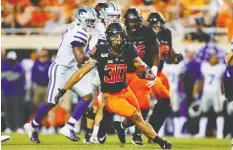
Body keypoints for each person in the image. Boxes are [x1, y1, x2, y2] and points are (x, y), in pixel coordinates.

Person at [55, 22, 172, 149]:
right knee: (137, 116)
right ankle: (161, 142)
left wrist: (146, 70)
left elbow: (139, 63)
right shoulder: (100, 50)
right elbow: (80, 72)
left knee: (137, 119)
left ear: (124, 36)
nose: (118, 39)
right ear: (108, 37)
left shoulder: (129, 48)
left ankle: (120, 127)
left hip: (126, 90)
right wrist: (64, 89)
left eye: (120, 36)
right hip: (110, 96)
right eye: (114, 36)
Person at [24, 6, 98, 144]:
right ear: (82, 19)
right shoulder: (79, 32)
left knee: (87, 96)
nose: (91, 24)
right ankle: (32, 125)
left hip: (71, 69)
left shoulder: (77, 29)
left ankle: (69, 127)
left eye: (92, 21)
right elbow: (80, 58)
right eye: (89, 21)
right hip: (61, 69)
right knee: (52, 101)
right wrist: (93, 55)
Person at [84, 2, 121, 143]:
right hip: (95, 66)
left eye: (117, 16)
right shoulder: (96, 27)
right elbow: (90, 47)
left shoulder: (119, 28)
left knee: (102, 102)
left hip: (109, 68)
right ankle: (89, 132)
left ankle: (95, 132)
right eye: (112, 15)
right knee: (92, 102)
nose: (115, 18)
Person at [147, 12, 184, 139]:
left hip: (160, 72)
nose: (157, 26)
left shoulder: (166, 33)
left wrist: (176, 58)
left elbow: (170, 55)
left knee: (166, 103)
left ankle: (152, 131)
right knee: (159, 100)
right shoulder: (146, 35)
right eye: (154, 24)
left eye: (159, 24)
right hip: (148, 72)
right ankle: (148, 130)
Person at [193, 50, 226, 139]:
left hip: (216, 92)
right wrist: (197, 90)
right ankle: (201, 132)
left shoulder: (221, 67)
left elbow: (223, 82)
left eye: (216, 57)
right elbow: (201, 80)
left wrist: (223, 94)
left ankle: (220, 133)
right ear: (209, 58)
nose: (215, 58)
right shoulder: (205, 66)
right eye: (213, 57)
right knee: (204, 112)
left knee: (219, 112)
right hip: (206, 91)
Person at [1, 51, 25, 134]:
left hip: (17, 92)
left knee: (17, 110)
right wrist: (11, 74)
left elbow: (19, 76)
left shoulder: (19, 66)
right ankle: (9, 127)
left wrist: (7, 75)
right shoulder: (3, 65)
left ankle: (18, 127)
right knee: (8, 110)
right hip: (6, 92)